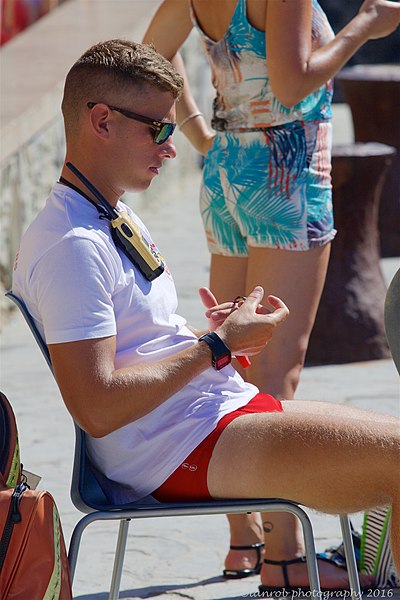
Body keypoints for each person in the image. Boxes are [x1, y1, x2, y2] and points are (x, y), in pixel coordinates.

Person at [11, 38, 399, 595]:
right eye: (159, 129)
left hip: (204, 423)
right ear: (101, 121)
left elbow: (134, 350)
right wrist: (215, 347)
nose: (171, 149)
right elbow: (96, 406)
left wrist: (215, 335)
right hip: (177, 447)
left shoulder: (106, 212)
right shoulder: (72, 244)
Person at [142, 0, 400, 588]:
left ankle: (243, 538)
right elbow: (292, 84)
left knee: (228, 359)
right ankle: (285, 556)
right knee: (277, 369)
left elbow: (153, 55)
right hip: (285, 167)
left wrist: (199, 132)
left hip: (229, 167)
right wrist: (366, 26)